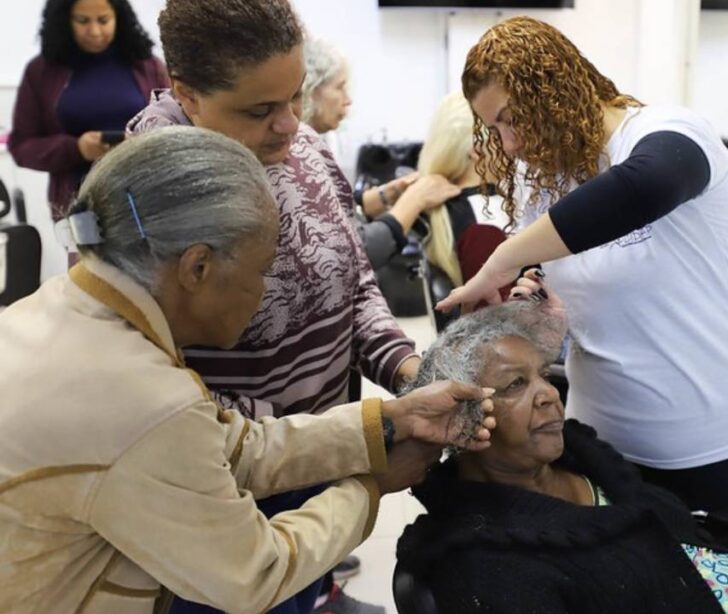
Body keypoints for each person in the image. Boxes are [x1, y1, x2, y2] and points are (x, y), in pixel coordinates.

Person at [0, 127, 495, 614]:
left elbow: (234, 448)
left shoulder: (65, 304)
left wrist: (392, 420)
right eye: (262, 271)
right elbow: (256, 573)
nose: (265, 294)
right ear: (197, 268)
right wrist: (370, 486)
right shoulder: (138, 399)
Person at [125, 2, 429, 611]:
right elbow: (150, 382)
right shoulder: (147, 199)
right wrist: (342, 443)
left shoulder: (307, 150)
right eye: (260, 109)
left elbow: (354, 282)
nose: (290, 124)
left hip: (319, 455)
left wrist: (405, 369)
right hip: (231, 488)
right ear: (187, 94)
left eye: (295, 97)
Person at [437, 16, 728, 519]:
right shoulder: (544, 182)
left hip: (716, 438)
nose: (508, 143)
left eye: (511, 118)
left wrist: (503, 258)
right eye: (494, 127)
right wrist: (534, 308)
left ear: (552, 89)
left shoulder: (668, 132)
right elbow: (584, 295)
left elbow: (645, 186)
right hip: (604, 441)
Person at [397, 301, 728, 614]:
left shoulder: (585, 459)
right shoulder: (487, 565)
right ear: (462, 422)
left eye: (543, 375)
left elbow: (677, 532)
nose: (550, 395)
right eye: (517, 385)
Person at [301, 38, 460, 269]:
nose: (348, 99)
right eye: (339, 87)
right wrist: (413, 201)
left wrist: (382, 197)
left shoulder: (312, 147)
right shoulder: (299, 159)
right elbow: (355, 253)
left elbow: (331, 213)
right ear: (310, 90)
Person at [8, 0, 169, 224]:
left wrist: (141, 143)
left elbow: (176, 128)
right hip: (78, 205)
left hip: (147, 198)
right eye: (82, 21)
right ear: (66, 20)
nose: (94, 31)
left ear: (118, 18)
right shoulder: (41, 71)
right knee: (85, 260)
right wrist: (76, 149)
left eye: (103, 20)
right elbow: (21, 147)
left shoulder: (148, 66)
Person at [417, 91, 511, 288]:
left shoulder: (441, 211)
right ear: (478, 148)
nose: (514, 141)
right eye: (502, 128)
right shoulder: (491, 214)